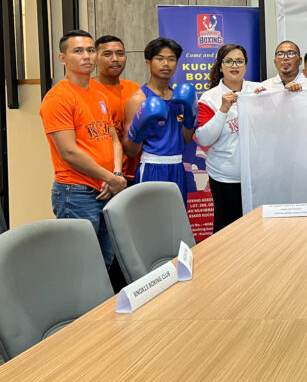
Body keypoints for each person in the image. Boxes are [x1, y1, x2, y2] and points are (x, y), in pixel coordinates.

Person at [39, 30, 127, 268]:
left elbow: (114, 140)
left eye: (90, 50)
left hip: (107, 188)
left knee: (105, 262)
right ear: (62, 58)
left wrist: (116, 174)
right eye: (78, 51)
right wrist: (111, 178)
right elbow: (69, 152)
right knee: (80, 265)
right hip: (77, 193)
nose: (87, 56)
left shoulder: (99, 94)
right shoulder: (58, 98)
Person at [196, 44, 264, 232]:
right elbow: (204, 139)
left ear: (246, 66)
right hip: (225, 178)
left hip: (257, 176)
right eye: (229, 61)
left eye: (239, 61)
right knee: (228, 232)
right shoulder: (210, 97)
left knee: (258, 230)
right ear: (220, 66)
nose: (235, 65)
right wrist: (223, 109)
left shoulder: (259, 90)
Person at [123, 38, 197, 204]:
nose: (166, 64)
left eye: (171, 59)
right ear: (148, 62)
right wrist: (140, 126)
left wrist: (190, 115)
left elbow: (185, 139)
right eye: (160, 58)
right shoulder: (139, 99)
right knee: (151, 217)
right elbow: (130, 151)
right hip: (152, 167)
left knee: (176, 218)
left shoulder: (180, 98)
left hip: (177, 167)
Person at [90, 35, 141, 184]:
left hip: (133, 173)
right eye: (107, 54)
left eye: (120, 54)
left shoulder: (134, 89)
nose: (115, 59)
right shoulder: (87, 90)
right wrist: (107, 176)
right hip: (102, 177)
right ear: (95, 58)